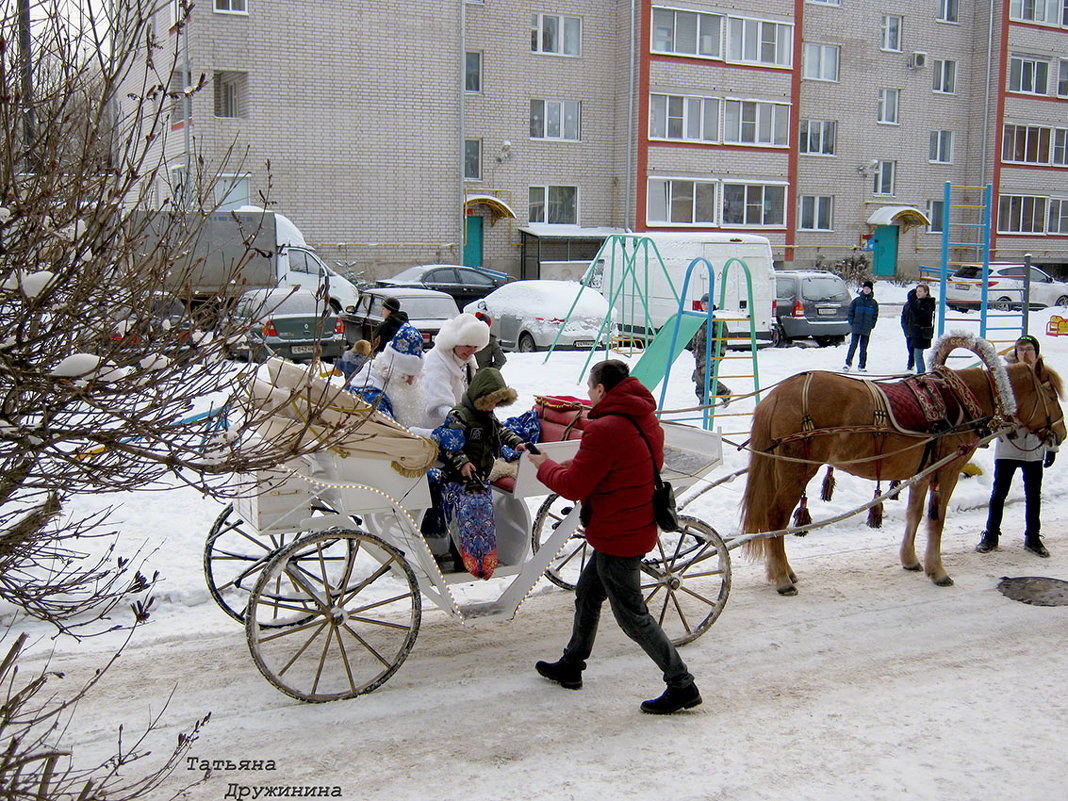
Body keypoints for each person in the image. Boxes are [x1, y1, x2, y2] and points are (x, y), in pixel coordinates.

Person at [527, 359, 701, 715]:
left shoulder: (604, 429)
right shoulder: (645, 417)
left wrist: (542, 464)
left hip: (617, 534)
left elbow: (573, 485)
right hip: (633, 523)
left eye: (590, 388)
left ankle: (681, 683)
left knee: (633, 616)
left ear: (602, 390)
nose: (588, 395)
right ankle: (572, 665)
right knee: (588, 594)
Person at [436, 367, 527, 578]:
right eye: (490, 402)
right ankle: (460, 560)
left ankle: (481, 560)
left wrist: (516, 442)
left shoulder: (488, 416)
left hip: (480, 479)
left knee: (481, 523)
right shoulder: (459, 415)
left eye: (497, 403)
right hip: (459, 480)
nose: (493, 407)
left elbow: (500, 430)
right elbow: (450, 444)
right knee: (460, 522)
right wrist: (462, 463)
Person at [976, 335, 1058, 558]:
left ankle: (1033, 537)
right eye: (1021, 349)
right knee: (999, 492)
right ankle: (991, 534)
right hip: (1009, 444)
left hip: (1034, 446)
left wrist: (1052, 447)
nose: (1025, 353)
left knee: (1033, 494)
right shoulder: (1005, 377)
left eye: (1029, 349)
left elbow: (1051, 413)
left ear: (1036, 351)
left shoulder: (1043, 376)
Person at [347, 324, 427, 430]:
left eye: (415, 376)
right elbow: (391, 432)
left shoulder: (386, 378)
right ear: (392, 371)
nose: (411, 382)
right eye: (407, 376)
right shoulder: (371, 395)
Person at [422, 312, 490, 428]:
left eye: (476, 347)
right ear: (454, 342)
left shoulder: (469, 361)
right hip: (436, 428)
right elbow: (440, 403)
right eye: (468, 346)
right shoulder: (436, 361)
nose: (472, 351)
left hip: (460, 425)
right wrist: (458, 417)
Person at [688, 293, 731, 404]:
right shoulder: (700, 318)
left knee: (705, 376)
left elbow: (722, 338)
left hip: (711, 353)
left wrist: (717, 354)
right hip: (700, 353)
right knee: (699, 377)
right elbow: (695, 335)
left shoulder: (716, 318)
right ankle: (703, 399)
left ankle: (724, 393)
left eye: (708, 304)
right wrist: (694, 348)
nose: (706, 306)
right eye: (704, 304)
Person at [843, 280, 879, 372]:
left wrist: (872, 325)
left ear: (871, 290)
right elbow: (850, 312)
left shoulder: (873, 303)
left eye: (868, 289)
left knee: (863, 348)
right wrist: (852, 322)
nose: (866, 290)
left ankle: (862, 365)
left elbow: (875, 315)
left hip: (866, 329)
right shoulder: (856, 301)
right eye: (865, 288)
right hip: (856, 327)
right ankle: (848, 363)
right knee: (853, 346)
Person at [901, 283, 936, 374]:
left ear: (926, 292)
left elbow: (918, 315)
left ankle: (921, 372)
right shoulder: (917, 302)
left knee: (918, 354)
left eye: (920, 291)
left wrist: (912, 302)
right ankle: (919, 370)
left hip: (922, 333)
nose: (918, 293)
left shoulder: (927, 303)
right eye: (917, 291)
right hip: (915, 332)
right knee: (914, 353)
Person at [900, 289, 916, 371]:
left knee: (915, 349)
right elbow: (903, 317)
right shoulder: (906, 305)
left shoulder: (917, 305)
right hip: (908, 330)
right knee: (910, 348)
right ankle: (911, 362)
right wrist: (905, 328)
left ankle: (911, 363)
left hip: (915, 331)